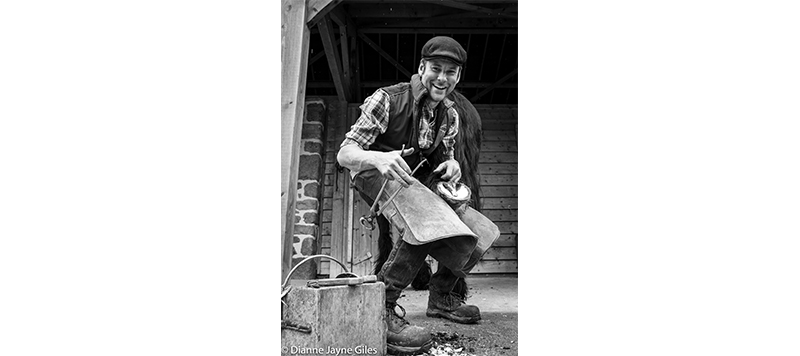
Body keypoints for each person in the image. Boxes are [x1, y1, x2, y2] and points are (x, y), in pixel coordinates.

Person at [337, 36, 499, 354]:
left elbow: (448, 152)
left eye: (450, 72)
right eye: (436, 69)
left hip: (414, 179)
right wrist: (378, 158)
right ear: (422, 68)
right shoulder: (386, 99)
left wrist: (452, 165)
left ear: (458, 77)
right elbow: (346, 153)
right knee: (427, 220)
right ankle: (380, 310)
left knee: (480, 232)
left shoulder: (449, 115)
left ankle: (443, 298)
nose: (442, 78)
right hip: (374, 175)